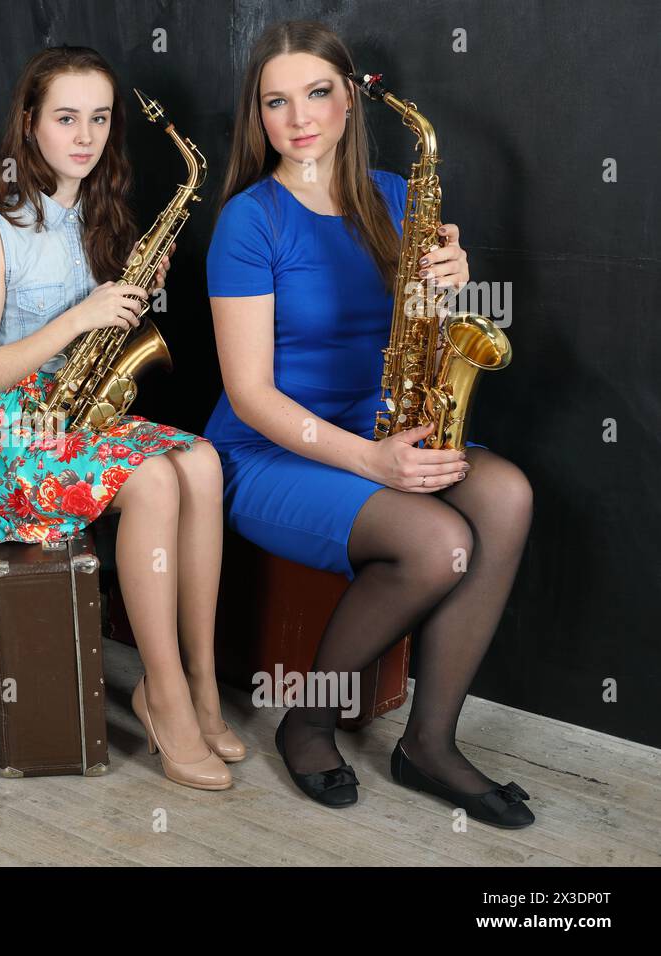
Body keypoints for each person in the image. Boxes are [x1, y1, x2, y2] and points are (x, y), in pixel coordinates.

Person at [206, 20, 535, 826]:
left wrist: (452, 281)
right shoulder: (249, 221)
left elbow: (416, 335)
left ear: (350, 100)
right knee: (438, 543)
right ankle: (310, 717)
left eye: (317, 92)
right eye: (275, 101)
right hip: (271, 447)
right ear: (259, 115)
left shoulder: (395, 197)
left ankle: (430, 743)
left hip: (382, 422)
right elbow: (250, 396)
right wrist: (372, 463)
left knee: (509, 497)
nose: (299, 117)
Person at [0, 46, 244, 791]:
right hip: (8, 433)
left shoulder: (98, 219)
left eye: (100, 119)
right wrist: (83, 313)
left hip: (75, 417)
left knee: (203, 462)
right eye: (66, 117)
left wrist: (132, 299)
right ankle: (164, 694)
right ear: (30, 123)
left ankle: (202, 683)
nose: (85, 135)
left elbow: (104, 344)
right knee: (149, 480)